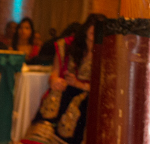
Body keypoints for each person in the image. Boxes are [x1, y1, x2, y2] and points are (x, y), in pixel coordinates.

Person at [21, 13, 106, 144]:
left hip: (88, 95)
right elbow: (54, 72)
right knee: (54, 96)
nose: (94, 31)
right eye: (92, 25)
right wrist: (54, 80)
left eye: (99, 28)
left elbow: (105, 88)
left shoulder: (106, 54)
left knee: (76, 106)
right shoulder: (68, 45)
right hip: (65, 89)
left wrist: (79, 84)